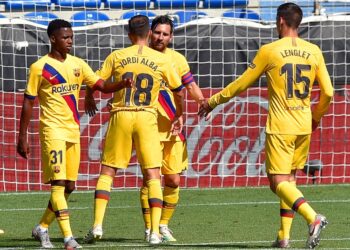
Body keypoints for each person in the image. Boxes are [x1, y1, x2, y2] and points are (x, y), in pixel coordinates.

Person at [198, 3, 333, 249]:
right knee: (289, 180)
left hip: (281, 125)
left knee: (276, 181)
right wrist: (316, 117)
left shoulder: (270, 50)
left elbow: (242, 83)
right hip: (304, 124)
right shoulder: (314, 51)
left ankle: (313, 218)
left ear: (281, 21)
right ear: (299, 23)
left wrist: (214, 101)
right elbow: (329, 92)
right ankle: (284, 237)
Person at [17, 19, 133, 249]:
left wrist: (121, 84)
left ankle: (42, 227)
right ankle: (69, 238)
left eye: (71, 36)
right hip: (52, 131)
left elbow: (100, 84)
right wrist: (23, 136)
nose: (70, 41)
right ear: (53, 39)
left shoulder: (78, 64)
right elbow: (28, 103)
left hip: (73, 131)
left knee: (69, 186)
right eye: (65, 37)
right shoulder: (39, 68)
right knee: (58, 183)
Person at [83, 15, 184, 245]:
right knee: (153, 176)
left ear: (129, 35)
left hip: (121, 115)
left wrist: (89, 96)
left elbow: (96, 81)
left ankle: (97, 225)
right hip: (147, 117)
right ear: (149, 34)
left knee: (108, 172)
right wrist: (179, 113)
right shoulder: (161, 60)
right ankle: (155, 233)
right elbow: (178, 91)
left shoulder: (117, 56)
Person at [140, 15, 209, 242]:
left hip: (172, 127)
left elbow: (190, 85)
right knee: (150, 180)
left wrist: (202, 102)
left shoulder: (177, 59)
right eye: (157, 32)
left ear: (171, 36)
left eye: (165, 34)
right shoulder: (139, 55)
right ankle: (150, 228)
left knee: (173, 180)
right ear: (150, 32)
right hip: (147, 128)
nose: (160, 37)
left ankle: (163, 225)